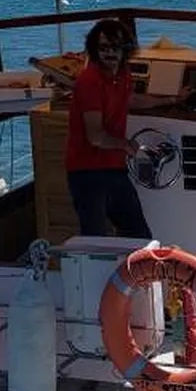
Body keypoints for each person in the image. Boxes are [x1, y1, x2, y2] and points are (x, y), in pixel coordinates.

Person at [65, 18, 151, 239]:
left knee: (138, 236)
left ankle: (132, 273)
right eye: (103, 48)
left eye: (116, 48)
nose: (109, 53)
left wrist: (173, 99)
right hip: (87, 172)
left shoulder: (123, 75)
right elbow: (95, 137)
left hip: (114, 167)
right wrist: (127, 145)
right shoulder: (89, 81)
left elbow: (130, 100)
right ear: (94, 49)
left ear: (125, 50)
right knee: (96, 239)